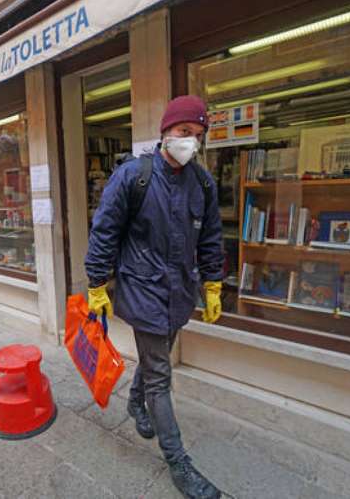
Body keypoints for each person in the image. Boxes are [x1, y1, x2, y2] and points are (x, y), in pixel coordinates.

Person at [85, 95, 225, 499]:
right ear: (165, 131)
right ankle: (178, 461)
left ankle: (134, 403)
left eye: (198, 136)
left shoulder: (203, 183)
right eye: (184, 132)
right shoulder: (134, 175)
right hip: (143, 288)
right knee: (161, 375)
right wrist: (97, 283)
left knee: (156, 355)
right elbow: (105, 231)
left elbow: (212, 237)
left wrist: (213, 284)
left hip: (180, 291)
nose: (190, 142)